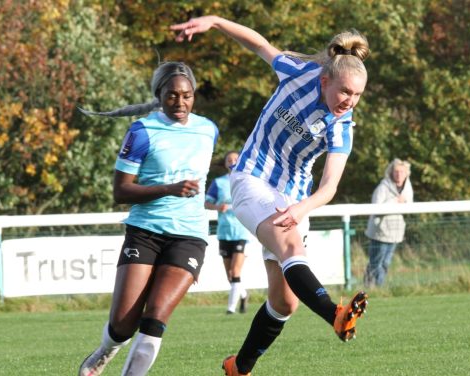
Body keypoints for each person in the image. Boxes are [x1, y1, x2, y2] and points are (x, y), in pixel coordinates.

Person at [171, 16, 370, 376]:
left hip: (294, 198)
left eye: (356, 95)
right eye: (344, 92)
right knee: (293, 249)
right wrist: (214, 22)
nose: (349, 102)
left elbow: (329, 187)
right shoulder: (298, 73)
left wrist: (301, 207)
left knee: (284, 303)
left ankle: (239, 367)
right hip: (251, 178)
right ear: (325, 81)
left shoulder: (342, 128)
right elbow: (258, 43)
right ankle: (336, 315)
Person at [77, 61, 219, 376]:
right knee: (123, 325)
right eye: (171, 96)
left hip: (190, 235)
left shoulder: (209, 129)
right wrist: (169, 189)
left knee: (155, 317)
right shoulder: (141, 131)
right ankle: (105, 351)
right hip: (145, 232)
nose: (180, 103)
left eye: (187, 95)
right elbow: (121, 191)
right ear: (159, 94)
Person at [205, 150, 253, 314]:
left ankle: (231, 308)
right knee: (230, 276)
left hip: (242, 231)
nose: (232, 161)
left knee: (235, 271)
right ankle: (244, 294)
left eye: (235, 159)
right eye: (229, 159)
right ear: (225, 164)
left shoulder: (247, 180)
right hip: (225, 231)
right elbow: (207, 203)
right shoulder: (218, 183)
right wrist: (218, 207)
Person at [364, 158, 414, 287]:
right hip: (380, 232)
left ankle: (375, 286)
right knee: (376, 262)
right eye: (396, 171)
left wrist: (404, 203)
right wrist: (394, 202)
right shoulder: (382, 187)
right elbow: (376, 208)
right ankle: (374, 287)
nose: (399, 174)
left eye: (402, 172)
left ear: (406, 173)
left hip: (395, 232)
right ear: (391, 172)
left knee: (385, 263)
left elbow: (409, 205)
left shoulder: (407, 188)